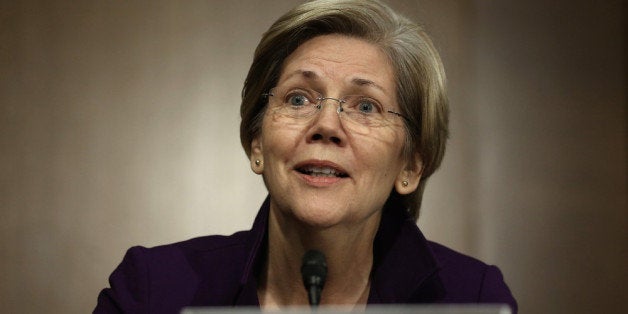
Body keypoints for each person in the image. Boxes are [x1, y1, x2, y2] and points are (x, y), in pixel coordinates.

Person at [94, 0, 517, 313]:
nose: (327, 125)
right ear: (257, 143)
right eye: (299, 98)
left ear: (410, 166)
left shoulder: (470, 296)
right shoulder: (153, 290)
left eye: (366, 106)